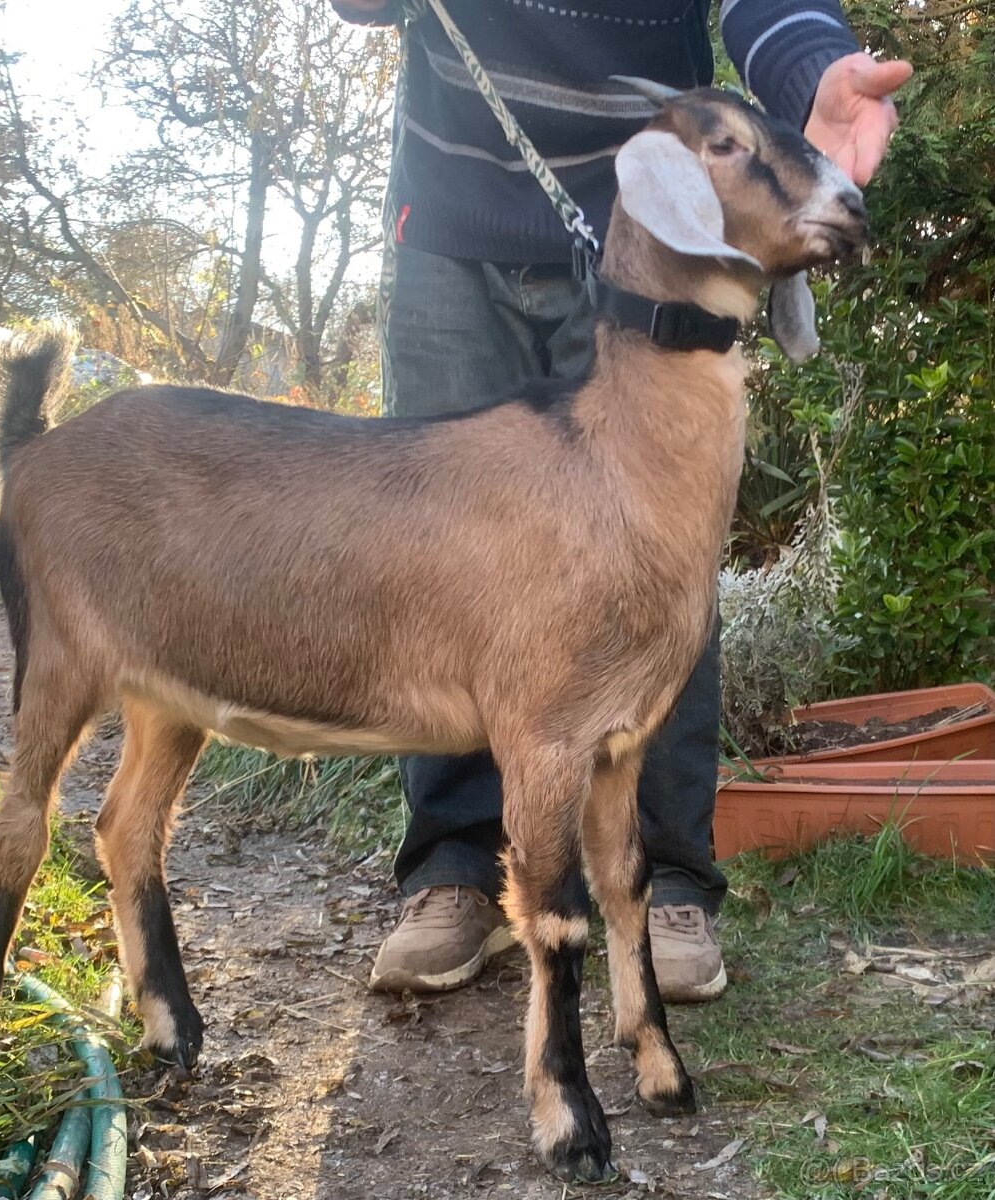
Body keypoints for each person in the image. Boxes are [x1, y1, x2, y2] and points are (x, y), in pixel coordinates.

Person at [332, 0, 910, 1001]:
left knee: (655, 557)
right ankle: (458, 869)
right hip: (450, 223)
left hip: (646, 231)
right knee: (441, 560)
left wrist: (814, 66)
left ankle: (669, 877)